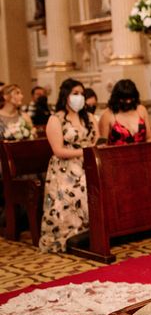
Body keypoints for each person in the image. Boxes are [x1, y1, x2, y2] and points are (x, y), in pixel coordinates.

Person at [39, 79, 99, 252]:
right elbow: (58, 150)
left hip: (89, 162)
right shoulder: (55, 119)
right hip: (65, 167)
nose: (79, 97)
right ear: (66, 95)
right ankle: (73, 234)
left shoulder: (88, 117)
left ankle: (98, 231)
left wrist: (93, 149)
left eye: (81, 94)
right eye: (75, 93)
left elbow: (97, 139)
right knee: (82, 186)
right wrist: (85, 152)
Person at [98, 79, 151, 145]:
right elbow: (102, 145)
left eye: (130, 98)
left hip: (142, 153)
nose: (128, 102)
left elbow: (149, 138)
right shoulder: (107, 115)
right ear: (117, 98)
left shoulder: (141, 110)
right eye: (124, 99)